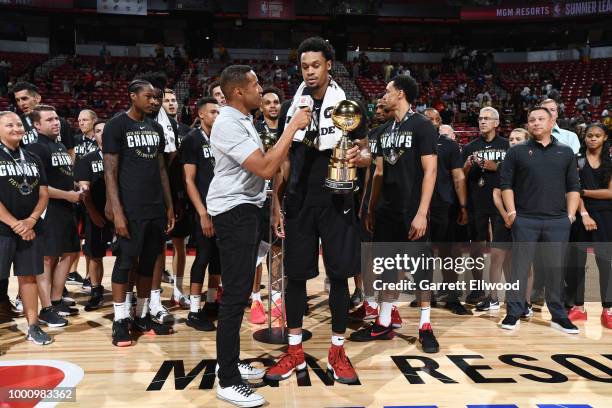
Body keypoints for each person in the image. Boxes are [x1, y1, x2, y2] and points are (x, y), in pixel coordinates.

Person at [265, 37, 369, 385]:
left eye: (315, 65)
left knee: (338, 276)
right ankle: (294, 351)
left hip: (337, 199)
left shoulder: (349, 104)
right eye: (304, 66)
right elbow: (282, 159)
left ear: (328, 65)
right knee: (295, 276)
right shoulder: (294, 105)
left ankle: (337, 351)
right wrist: (277, 203)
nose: (309, 72)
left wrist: (358, 156)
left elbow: (367, 151)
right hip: (299, 201)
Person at [206, 65, 310, 406]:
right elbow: (266, 167)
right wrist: (292, 128)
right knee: (236, 294)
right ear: (239, 92)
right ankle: (227, 380)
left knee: (237, 291)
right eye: (255, 85)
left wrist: (273, 207)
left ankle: (230, 362)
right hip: (233, 212)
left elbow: (263, 170)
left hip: (247, 209)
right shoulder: (226, 123)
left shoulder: (241, 120)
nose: (260, 89)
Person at [350, 75, 439, 353]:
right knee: (388, 268)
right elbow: (378, 172)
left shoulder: (422, 126)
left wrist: (422, 212)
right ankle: (384, 321)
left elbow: (431, 171)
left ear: (400, 93)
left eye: (387, 91)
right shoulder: (384, 130)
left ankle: (425, 326)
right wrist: (371, 207)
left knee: (420, 271)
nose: (382, 95)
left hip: (412, 210)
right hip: (387, 210)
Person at [103, 79, 175, 347]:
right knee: (125, 263)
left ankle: (141, 316)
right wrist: (117, 211)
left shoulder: (156, 127)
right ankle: (120, 320)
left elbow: (161, 171)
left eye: (156, 98)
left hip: (155, 208)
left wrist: (168, 206)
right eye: (149, 97)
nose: (154, 102)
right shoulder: (116, 125)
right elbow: (109, 171)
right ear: (133, 96)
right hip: (130, 208)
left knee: (148, 264)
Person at [499, 106, 580, 334]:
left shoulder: (565, 152)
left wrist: (571, 215)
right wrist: (513, 213)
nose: (535, 123)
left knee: (555, 269)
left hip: (557, 222)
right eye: (532, 119)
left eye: (541, 119)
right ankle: (513, 312)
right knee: (520, 268)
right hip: (525, 219)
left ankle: (558, 316)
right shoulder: (516, 152)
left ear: (551, 120)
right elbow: (506, 185)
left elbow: (574, 187)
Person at [26, 105, 81, 327]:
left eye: (56, 118)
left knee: (69, 253)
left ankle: (57, 300)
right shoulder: (36, 147)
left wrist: (75, 186)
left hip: (67, 206)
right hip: (49, 209)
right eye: (49, 120)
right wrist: (67, 195)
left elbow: (62, 176)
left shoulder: (58, 145)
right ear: (37, 125)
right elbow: (40, 187)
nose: (55, 122)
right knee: (48, 258)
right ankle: (46, 308)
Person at [0, 111, 52, 345]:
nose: (16, 128)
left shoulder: (32, 157)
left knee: (28, 278)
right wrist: (15, 224)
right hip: (3, 229)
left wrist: (31, 220)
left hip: (31, 228)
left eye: (19, 124)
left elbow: (43, 193)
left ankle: (33, 326)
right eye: (9, 125)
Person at [476, 128, 530, 312]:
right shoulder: (505, 163)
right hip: (504, 218)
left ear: (527, 140)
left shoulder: (534, 163)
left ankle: (524, 302)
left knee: (523, 262)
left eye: (518, 139)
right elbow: (496, 193)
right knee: (498, 258)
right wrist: (506, 214)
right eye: (512, 139)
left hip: (525, 218)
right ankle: (493, 299)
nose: (514, 141)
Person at [349, 98, 392, 323]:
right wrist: (365, 204)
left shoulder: (395, 134)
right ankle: (370, 303)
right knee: (367, 254)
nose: (379, 112)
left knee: (386, 257)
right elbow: (368, 173)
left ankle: (388, 308)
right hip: (370, 201)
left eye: (384, 109)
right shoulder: (372, 135)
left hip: (390, 201)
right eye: (377, 109)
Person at [565, 123, 612, 328]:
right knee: (576, 264)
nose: (593, 139)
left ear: (604, 138)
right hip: (581, 214)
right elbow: (572, 190)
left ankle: (608, 310)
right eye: (589, 136)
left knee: (605, 263)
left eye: (597, 136)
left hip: (605, 216)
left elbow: (610, 193)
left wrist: (583, 192)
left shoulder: (611, 162)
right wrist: (583, 213)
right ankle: (578, 308)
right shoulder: (577, 160)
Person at [423, 107, 469, 315]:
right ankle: (425, 296)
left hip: (444, 205)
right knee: (422, 254)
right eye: (428, 118)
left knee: (447, 254)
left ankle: (452, 297)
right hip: (420, 206)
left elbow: (459, 177)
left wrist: (463, 206)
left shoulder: (449, 145)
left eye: (435, 119)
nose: (432, 122)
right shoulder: (414, 143)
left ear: (440, 122)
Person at [462, 107, 509, 305]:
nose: (482, 121)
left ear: (497, 123)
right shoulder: (470, 147)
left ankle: (501, 290)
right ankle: (478, 286)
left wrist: (495, 166)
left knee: (503, 248)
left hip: (501, 205)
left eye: (487, 119)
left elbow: (517, 173)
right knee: (476, 247)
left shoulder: (508, 146)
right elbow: (460, 177)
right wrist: (466, 166)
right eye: (480, 118)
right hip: (477, 202)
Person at [181, 97, 220, 332]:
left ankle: (212, 302)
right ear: (202, 115)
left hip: (223, 207)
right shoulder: (192, 139)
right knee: (203, 257)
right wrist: (202, 213)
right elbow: (189, 180)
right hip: (204, 209)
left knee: (218, 260)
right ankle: (194, 311)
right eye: (213, 112)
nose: (217, 115)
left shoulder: (221, 137)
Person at [249, 86, 283, 325]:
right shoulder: (254, 131)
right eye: (268, 102)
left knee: (278, 249)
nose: (272, 105)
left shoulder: (287, 130)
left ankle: (278, 296)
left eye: (276, 102)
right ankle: (256, 298)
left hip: (281, 196)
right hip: (259, 196)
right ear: (261, 106)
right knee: (257, 251)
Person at [74, 120, 112, 311]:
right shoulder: (87, 159)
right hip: (96, 213)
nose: (102, 134)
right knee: (95, 255)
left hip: (122, 213)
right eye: (98, 131)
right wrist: (92, 212)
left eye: (106, 130)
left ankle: (129, 291)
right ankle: (96, 291)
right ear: (93, 135)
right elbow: (84, 189)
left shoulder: (124, 156)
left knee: (128, 254)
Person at [162, 87, 192, 307]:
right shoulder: (154, 128)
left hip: (179, 193)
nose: (172, 103)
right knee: (155, 245)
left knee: (179, 244)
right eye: (167, 100)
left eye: (174, 100)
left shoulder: (186, 131)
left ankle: (178, 289)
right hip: (158, 193)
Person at [12, 81, 75, 159]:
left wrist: (69, 170)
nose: (21, 104)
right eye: (18, 100)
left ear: (38, 98)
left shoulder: (60, 122)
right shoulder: (16, 124)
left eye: (24, 99)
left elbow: (70, 150)